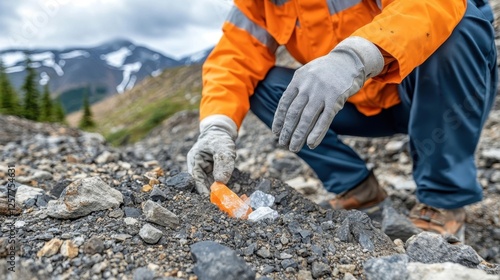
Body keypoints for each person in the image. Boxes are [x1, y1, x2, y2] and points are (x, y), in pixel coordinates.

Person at [187, 0, 497, 241]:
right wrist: (216, 126)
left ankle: (443, 199)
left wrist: (356, 58)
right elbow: (233, 59)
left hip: (430, 92)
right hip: (355, 105)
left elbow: (432, 5)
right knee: (263, 86)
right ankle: (357, 188)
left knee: (459, 23)